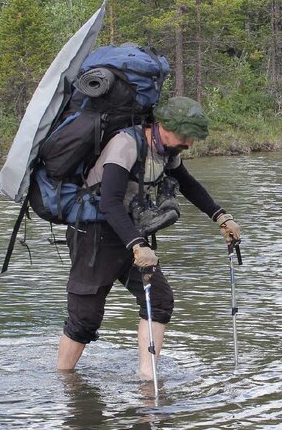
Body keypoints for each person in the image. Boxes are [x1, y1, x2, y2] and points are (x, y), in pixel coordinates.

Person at [55, 96, 241, 374]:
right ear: (163, 125)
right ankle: (64, 379)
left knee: (159, 300)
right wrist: (138, 245)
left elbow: (189, 185)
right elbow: (110, 202)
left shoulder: (167, 150)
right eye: (185, 135)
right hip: (94, 235)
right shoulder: (125, 145)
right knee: (85, 319)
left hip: (130, 234)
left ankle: (147, 378)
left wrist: (220, 216)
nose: (189, 144)